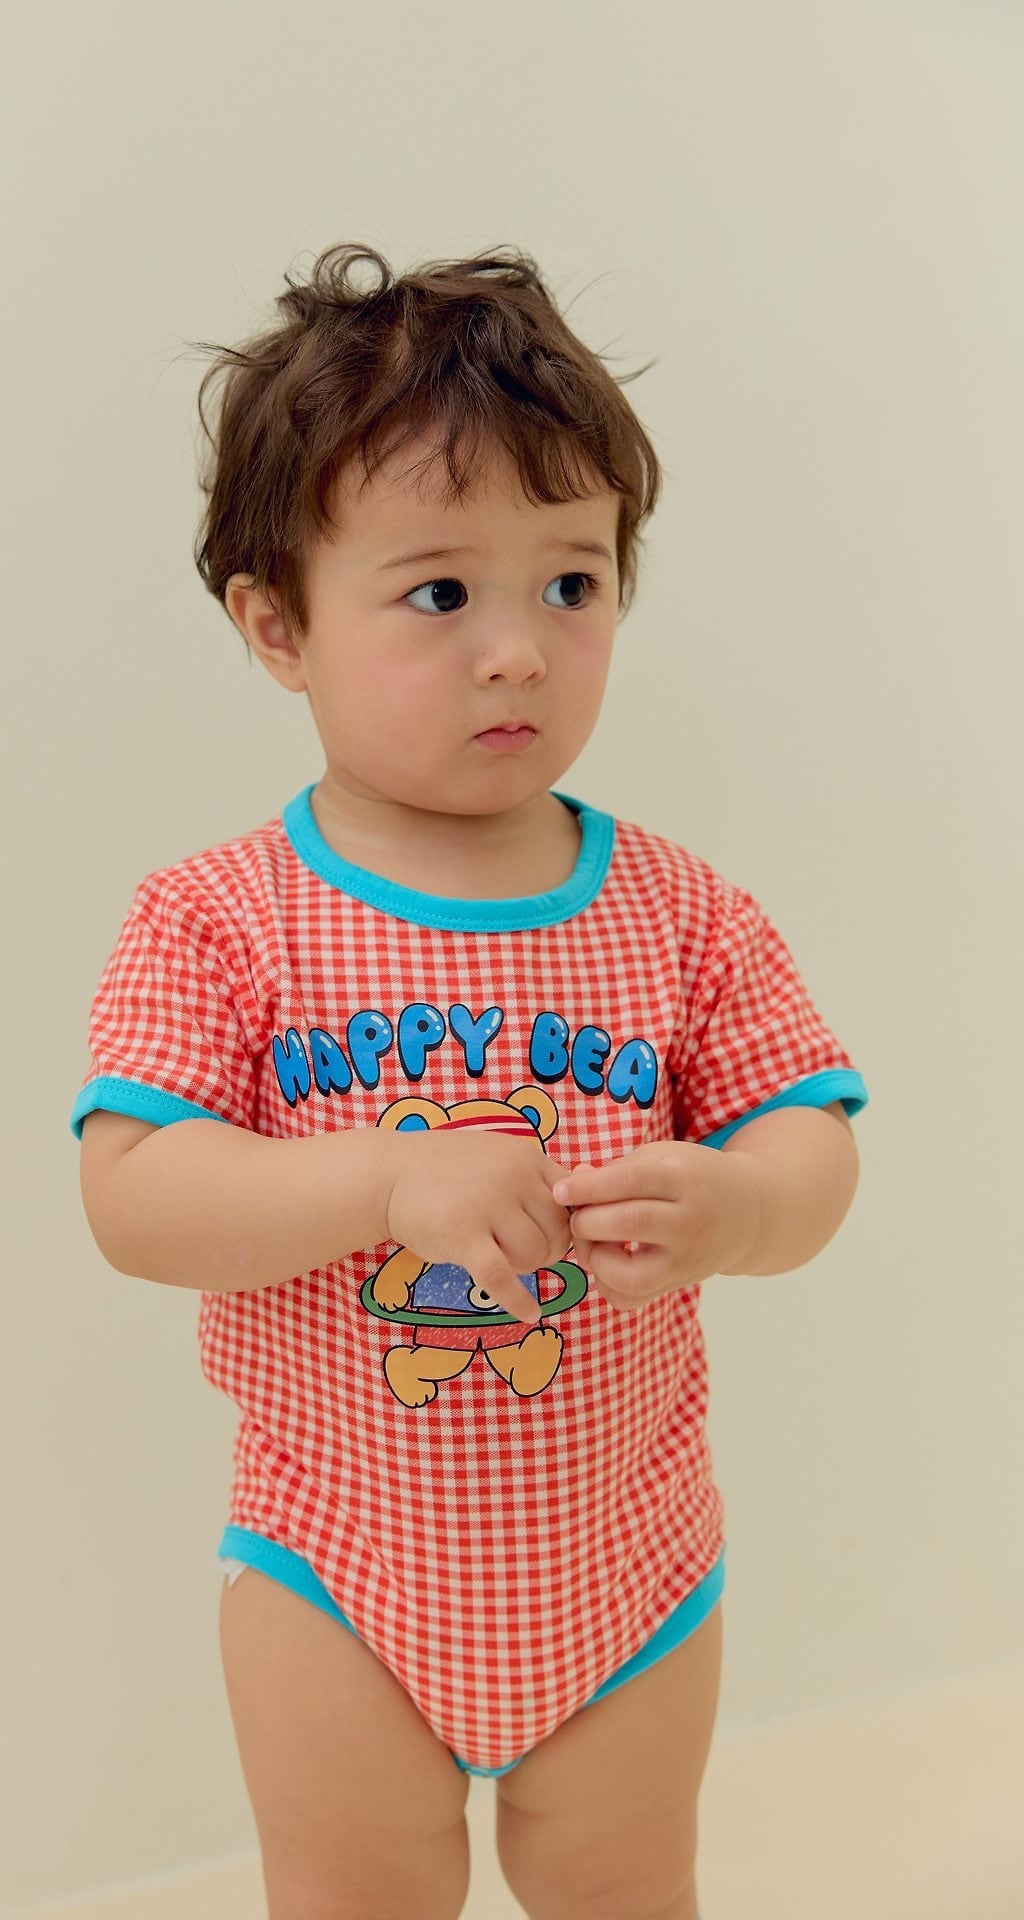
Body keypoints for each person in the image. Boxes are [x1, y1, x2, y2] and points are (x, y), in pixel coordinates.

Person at [71, 242, 867, 1920]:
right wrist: (382, 1175)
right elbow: (135, 1200)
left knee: (627, 1882)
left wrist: (740, 1205)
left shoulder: (684, 913)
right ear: (278, 626)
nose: (519, 651)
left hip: (628, 1562)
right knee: (353, 1891)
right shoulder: (220, 918)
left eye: (571, 584)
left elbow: (812, 1141)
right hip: (336, 1569)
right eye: (441, 596)